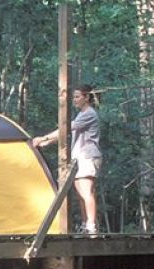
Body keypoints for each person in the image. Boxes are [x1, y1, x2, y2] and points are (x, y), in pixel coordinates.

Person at [32, 84, 102, 235]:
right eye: (74, 97)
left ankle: (91, 226)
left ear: (87, 97)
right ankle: (85, 224)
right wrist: (47, 142)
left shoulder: (89, 114)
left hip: (88, 156)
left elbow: (68, 128)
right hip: (80, 157)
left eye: (77, 97)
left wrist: (45, 137)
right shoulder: (82, 114)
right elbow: (69, 133)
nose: (74, 100)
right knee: (81, 194)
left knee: (87, 191)